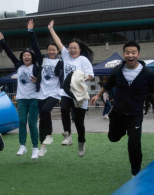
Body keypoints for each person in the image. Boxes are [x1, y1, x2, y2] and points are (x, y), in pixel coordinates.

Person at [91, 41, 154, 177]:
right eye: (127, 52)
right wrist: (97, 95)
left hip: (135, 115)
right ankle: (119, 131)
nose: (130, 55)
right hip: (118, 113)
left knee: (135, 143)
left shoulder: (147, 73)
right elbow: (108, 84)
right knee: (113, 138)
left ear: (138, 54)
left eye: (133, 52)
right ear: (124, 54)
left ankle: (135, 173)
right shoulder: (117, 70)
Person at [48, 20, 94, 157]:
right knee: (64, 109)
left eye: (75, 48)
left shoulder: (84, 60)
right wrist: (51, 29)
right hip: (66, 90)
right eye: (70, 48)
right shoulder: (65, 55)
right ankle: (67, 135)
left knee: (79, 122)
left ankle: (81, 142)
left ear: (80, 49)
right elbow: (58, 42)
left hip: (79, 92)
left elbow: (91, 76)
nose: (72, 50)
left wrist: (81, 77)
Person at [0, 32, 40, 159]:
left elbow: (43, 81)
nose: (26, 57)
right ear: (22, 58)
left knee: (32, 124)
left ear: (32, 57)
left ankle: (35, 148)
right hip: (21, 99)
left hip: (33, 99)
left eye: (28, 55)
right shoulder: (19, 66)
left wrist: (37, 81)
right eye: (24, 55)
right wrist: (2, 42)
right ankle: (22, 146)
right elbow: (10, 54)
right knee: (22, 122)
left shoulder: (36, 68)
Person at [27, 19, 62, 157]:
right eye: (49, 50)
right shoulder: (43, 60)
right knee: (42, 119)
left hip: (54, 92)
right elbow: (35, 47)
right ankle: (43, 146)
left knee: (46, 110)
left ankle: (50, 134)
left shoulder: (61, 62)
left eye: (54, 49)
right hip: (41, 93)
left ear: (57, 50)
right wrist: (31, 32)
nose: (51, 51)